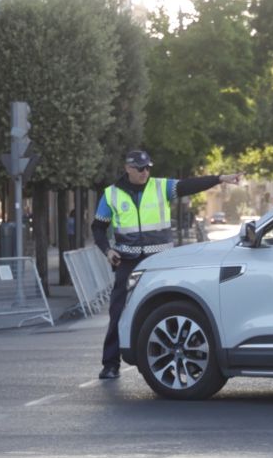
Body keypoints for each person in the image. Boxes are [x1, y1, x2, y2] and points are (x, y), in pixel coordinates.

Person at [93, 149, 240, 380]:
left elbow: (189, 185)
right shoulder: (111, 194)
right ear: (128, 168)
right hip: (128, 261)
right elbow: (98, 228)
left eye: (148, 168)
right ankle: (110, 364)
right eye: (140, 168)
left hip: (161, 260)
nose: (145, 172)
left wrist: (219, 178)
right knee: (118, 310)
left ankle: (180, 354)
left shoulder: (160, 186)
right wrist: (108, 251)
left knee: (172, 306)